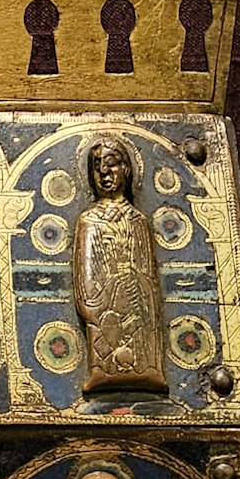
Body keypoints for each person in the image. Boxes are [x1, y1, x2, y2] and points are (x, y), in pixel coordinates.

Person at [72, 137, 168, 396]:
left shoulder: (139, 221)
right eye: (97, 167)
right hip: (106, 312)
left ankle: (146, 371)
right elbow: (85, 280)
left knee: (140, 345)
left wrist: (136, 284)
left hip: (137, 311)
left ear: (125, 168)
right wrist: (112, 291)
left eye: (111, 164)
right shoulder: (89, 221)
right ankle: (103, 373)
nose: (104, 172)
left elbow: (150, 278)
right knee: (107, 340)